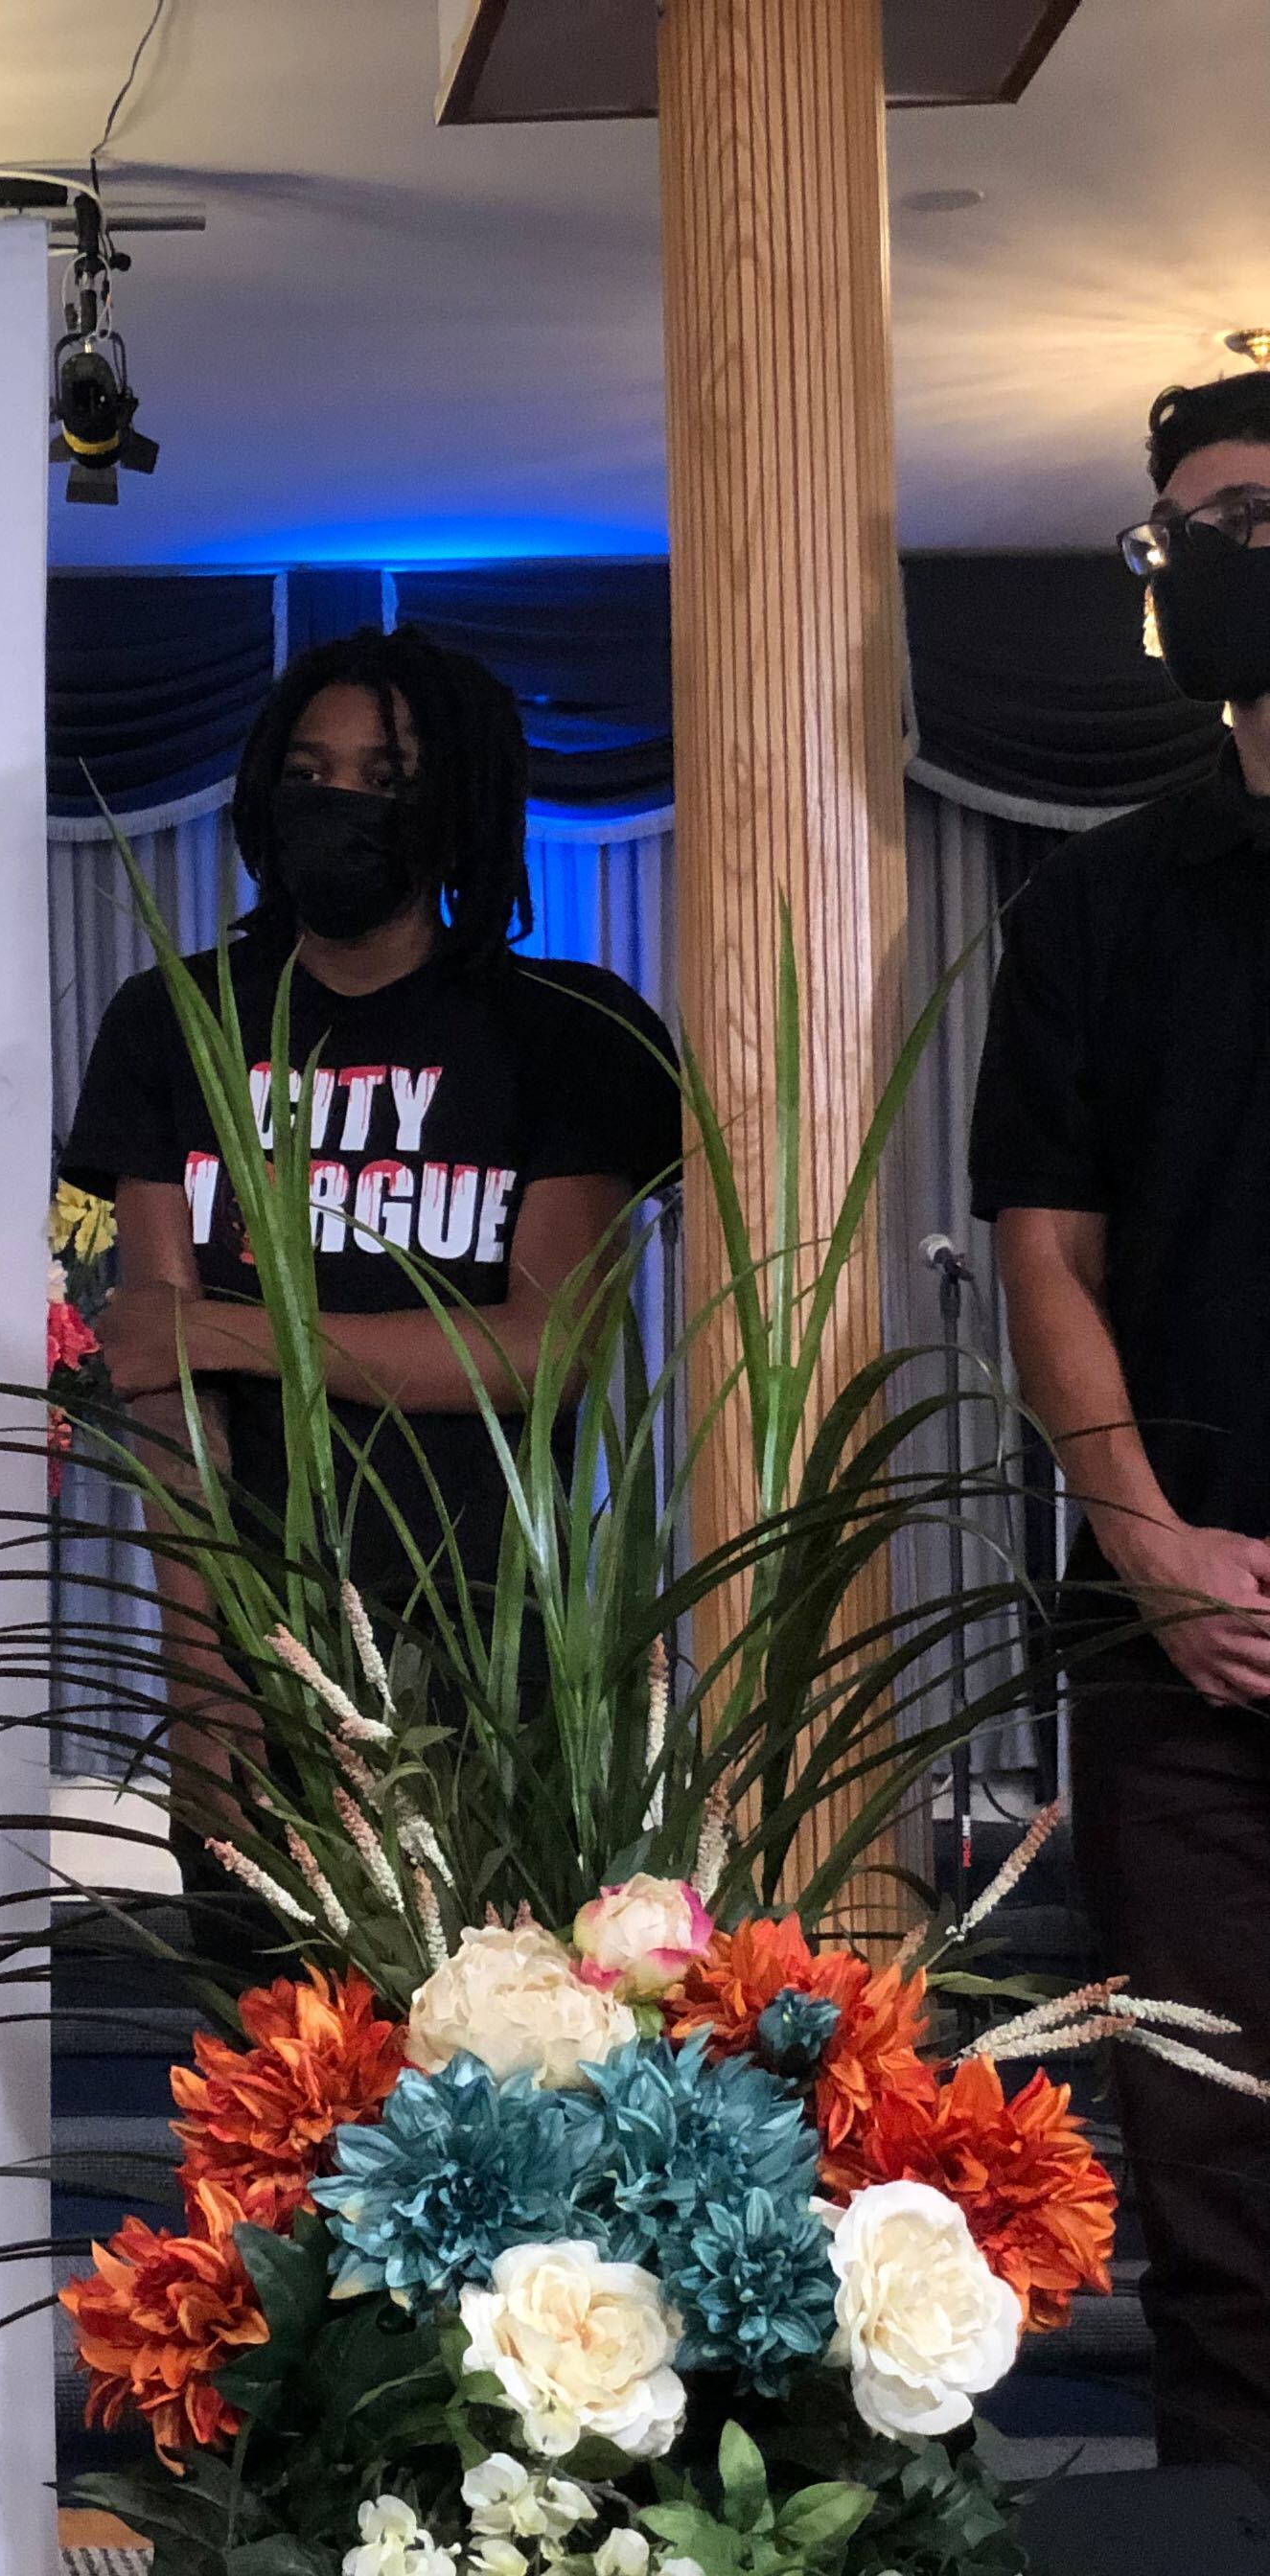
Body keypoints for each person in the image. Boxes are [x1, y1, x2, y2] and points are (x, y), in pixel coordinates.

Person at [59, 627, 677, 1893]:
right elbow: (152, 1374)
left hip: (504, 1657)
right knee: (268, 2078)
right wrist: (209, 1677)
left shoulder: (569, 1031)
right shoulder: (172, 1020)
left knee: (504, 2071)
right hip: (259, 1655)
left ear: (452, 807)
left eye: (385, 778)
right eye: (309, 767)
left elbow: (547, 1351)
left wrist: (239, 1332)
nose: (338, 801)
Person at [975, 367, 1270, 2490]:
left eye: (1262, 512)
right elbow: (1046, 1259)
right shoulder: (1093, 904)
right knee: (1220, 2195)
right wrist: (1155, 1550)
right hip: (1174, 1655)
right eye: (1196, 525)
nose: (1221, 555)